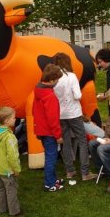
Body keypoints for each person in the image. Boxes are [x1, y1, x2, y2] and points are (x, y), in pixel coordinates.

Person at [53, 53, 97, 181]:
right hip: (74, 113)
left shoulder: (54, 78)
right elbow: (78, 95)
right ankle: (85, 172)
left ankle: (70, 171)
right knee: (82, 141)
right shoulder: (71, 76)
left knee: (65, 142)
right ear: (67, 62)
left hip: (61, 114)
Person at [33, 63, 64, 192]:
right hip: (50, 132)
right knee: (51, 157)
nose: (57, 82)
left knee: (49, 155)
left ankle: (52, 178)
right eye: (57, 80)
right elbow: (53, 118)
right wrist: (58, 135)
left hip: (41, 129)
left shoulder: (38, 89)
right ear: (51, 80)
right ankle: (49, 183)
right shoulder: (49, 96)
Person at [0, 106, 21, 216]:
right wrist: (16, 169)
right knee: (11, 190)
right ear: (7, 120)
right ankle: (14, 211)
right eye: (13, 118)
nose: (15, 119)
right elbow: (12, 156)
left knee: (0, 190)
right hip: (8, 170)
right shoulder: (9, 137)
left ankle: (2, 209)